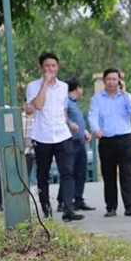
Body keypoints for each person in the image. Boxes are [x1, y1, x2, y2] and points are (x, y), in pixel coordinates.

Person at [25, 52, 83, 220]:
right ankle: (46, 210)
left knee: (67, 172)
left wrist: (69, 123)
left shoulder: (64, 87)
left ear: (58, 67)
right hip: (42, 136)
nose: (50, 69)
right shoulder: (33, 86)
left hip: (62, 134)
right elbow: (38, 105)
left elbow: (62, 110)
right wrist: (45, 84)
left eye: (53, 66)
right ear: (41, 68)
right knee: (42, 174)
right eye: (47, 66)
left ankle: (68, 210)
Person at [89, 69, 131, 218]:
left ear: (119, 81)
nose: (112, 82)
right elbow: (93, 115)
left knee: (126, 173)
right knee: (109, 174)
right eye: (109, 79)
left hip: (125, 139)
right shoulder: (97, 99)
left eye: (115, 79)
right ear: (104, 81)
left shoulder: (125, 97)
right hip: (106, 141)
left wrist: (125, 94)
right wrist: (95, 129)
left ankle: (130, 205)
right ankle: (111, 207)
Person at [58, 79, 94, 213]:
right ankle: (62, 201)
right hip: (69, 142)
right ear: (78, 88)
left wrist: (84, 132)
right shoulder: (66, 101)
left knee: (81, 172)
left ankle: (78, 200)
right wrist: (70, 123)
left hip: (79, 142)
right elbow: (63, 116)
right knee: (69, 173)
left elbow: (78, 121)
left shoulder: (74, 103)